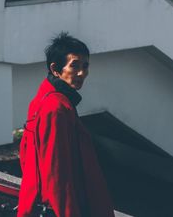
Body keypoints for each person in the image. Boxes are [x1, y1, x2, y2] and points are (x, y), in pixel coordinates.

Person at [17, 32, 115, 217]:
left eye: (85, 66)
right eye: (74, 65)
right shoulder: (55, 109)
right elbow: (56, 175)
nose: (81, 73)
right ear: (56, 69)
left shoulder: (47, 97)